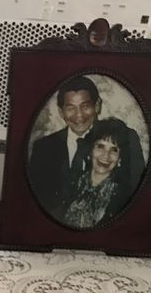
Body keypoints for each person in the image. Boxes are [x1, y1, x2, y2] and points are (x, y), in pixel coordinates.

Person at [28, 76, 146, 221]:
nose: (79, 115)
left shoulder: (124, 138)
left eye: (85, 106)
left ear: (97, 106)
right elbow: (34, 200)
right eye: (70, 108)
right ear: (61, 111)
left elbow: (139, 194)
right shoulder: (44, 148)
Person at [63, 119, 133, 229]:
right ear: (90, 151)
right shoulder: (72, 182)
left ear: (120, 159)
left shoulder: (125, 196)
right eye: (100, 146)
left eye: (114, 150)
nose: (106, 155)